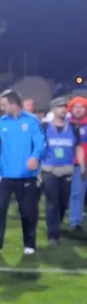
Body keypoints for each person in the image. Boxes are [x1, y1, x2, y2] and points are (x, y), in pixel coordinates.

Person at [0, 89, 46, 256]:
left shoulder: (31, 121)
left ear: (14, 104)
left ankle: (29, 244)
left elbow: (40, 143)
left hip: (27, 175)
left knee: (28, 211)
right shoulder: (1, 123)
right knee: (0, 209)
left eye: (4, 105)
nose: (1, 108)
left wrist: (35, 157)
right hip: (5, 174)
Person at [40, 96, 85, 244]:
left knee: (63, 202)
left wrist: (82, 165)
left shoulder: (73, 128)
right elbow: (38, 147)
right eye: (60, 107)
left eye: (65, 107)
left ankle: (56, 225)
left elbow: (78, 147)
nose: (63, 110)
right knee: (52, 202)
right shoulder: (44, 127)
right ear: (53, 109)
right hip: (49, 169)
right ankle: (53, 234)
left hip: (67, 170)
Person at [67, 95, 87, 232]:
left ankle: (75, 219)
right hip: (71, 163)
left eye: (82, 107)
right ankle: (74, 221)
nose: (78, 110)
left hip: (83, 163)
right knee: (75, 193)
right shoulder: (66, 124)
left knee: (77, 192)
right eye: (75, 107)